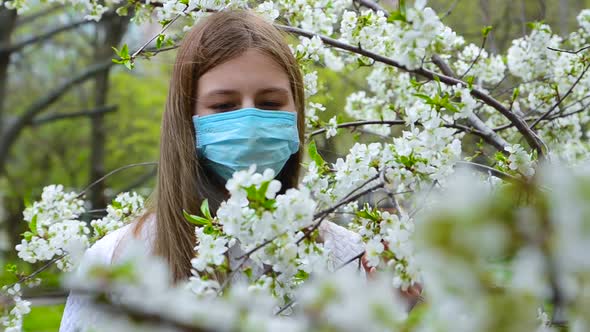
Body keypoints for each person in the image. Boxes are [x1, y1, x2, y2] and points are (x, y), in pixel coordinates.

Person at [59, 10, 369, 332]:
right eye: (223, 106)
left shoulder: (342, 253)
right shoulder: (118, 261)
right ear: (187, 120)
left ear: (296, 113)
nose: (249, 124)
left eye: (270, 103)